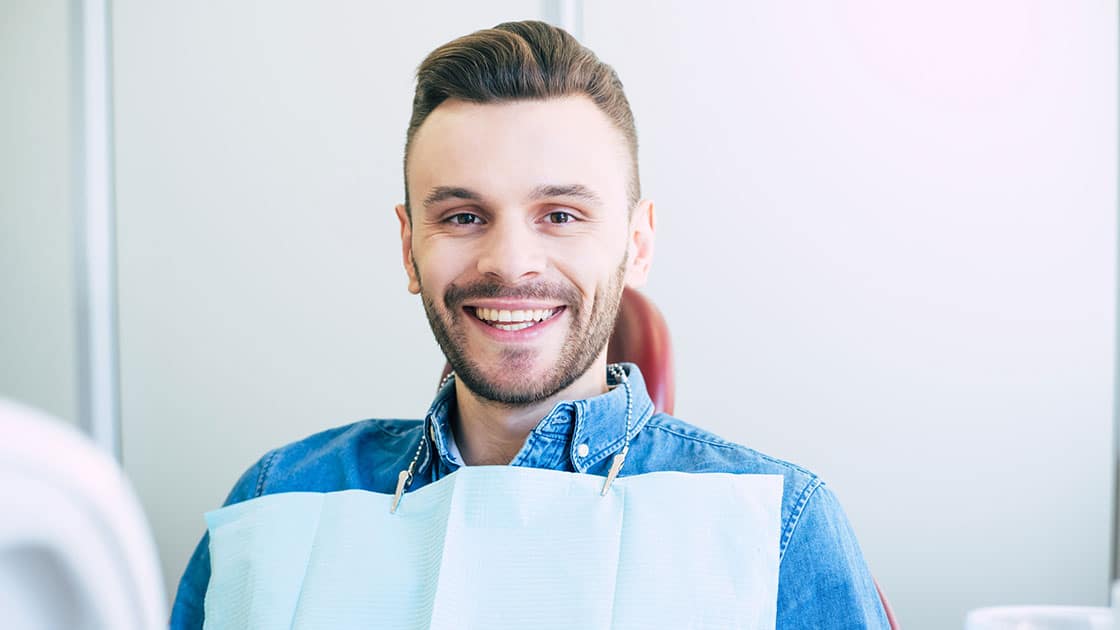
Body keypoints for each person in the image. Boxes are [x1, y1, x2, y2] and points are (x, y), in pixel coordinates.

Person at [171, 20, 889, 629]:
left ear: (637, 245)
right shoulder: (277, 503)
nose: (510, 262)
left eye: (561, 215)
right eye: (462, 216)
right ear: (408, 246)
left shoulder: (781, 525)